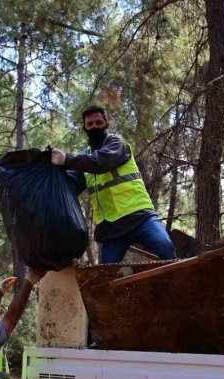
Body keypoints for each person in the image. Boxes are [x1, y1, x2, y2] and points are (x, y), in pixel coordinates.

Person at [51, 105, 177, 264]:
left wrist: (67, 159)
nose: (94, 127)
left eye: (99, 123)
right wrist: (48, 174)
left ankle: (181, 278)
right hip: (112, 229)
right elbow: (70, 185)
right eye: (90, 124)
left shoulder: (116, 143)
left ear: (107, 124)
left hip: (140, 217)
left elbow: (102, 162)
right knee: (106, 272)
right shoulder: (84, 159)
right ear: (84, 128)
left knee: (165, 247)